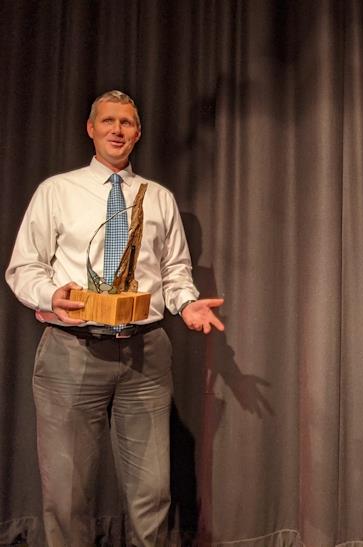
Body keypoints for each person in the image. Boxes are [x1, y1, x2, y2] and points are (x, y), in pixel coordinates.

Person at [6, 90, 225, 546]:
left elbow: (174, 272)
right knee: (67, 499)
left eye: (126, 122)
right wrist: (49, 292)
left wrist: (186, 304)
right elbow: (24, 267)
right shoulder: (57, 191)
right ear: (91, 129)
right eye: (108, 121)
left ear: (137, 133)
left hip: (145, 355)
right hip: (71, 351)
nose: (117, 130)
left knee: (152, 496)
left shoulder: (158, 198)